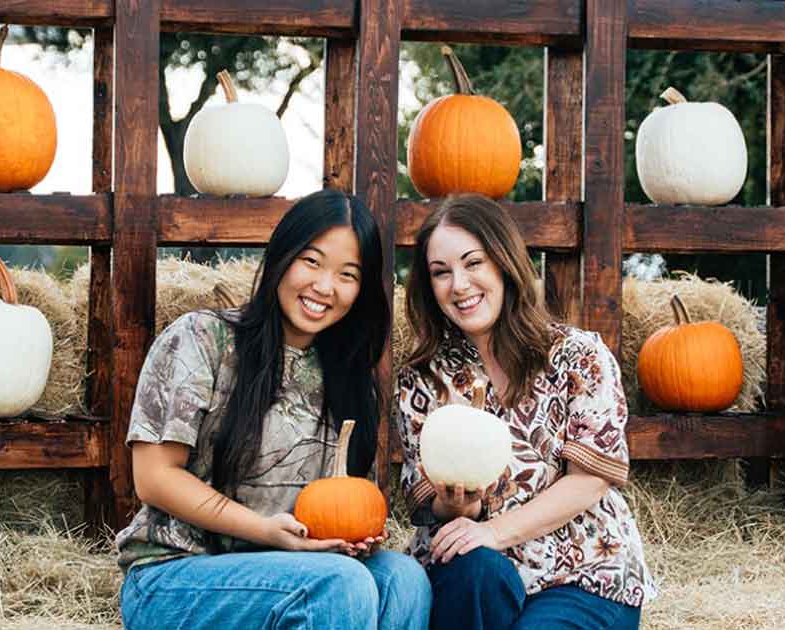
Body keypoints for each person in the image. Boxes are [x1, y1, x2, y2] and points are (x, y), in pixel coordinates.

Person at [118, 189, 430, 630]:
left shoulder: (348, 378)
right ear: (282, 256)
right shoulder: (202, 339)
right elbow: (154, 478)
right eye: (312, 261)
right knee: (341, 584)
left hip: (289, 569)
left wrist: (349, 539)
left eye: (347, 274)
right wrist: (264, 531)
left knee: (404, 579)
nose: (324, 286)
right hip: (175, 574)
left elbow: (336, 505)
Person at [398, 194, 657, 630]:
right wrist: (458, 507)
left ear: (505, 263)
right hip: (478, 574)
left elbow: (591, 480)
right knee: (473, 567)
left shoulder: (578, 356)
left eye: (473, 263)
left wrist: (495, 531)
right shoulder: (424, 379)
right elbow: (425, 505)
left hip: (581, 571)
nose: (458, 284)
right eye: (441, 272)